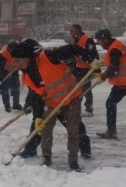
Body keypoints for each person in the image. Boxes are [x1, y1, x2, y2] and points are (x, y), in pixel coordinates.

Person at [9, 40, 96, 171]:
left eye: (17, 60)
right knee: (45, 129)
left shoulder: (49, 56)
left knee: (74, 130)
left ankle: (74, 160)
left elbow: (71, 48)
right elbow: (36, 96)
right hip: (51, 103)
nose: (15, 64)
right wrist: (38, 116)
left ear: (26, 57)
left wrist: (92, 61)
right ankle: (46, 157)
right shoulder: (27, 75)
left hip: (70, 99)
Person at [68, 24, 99, 117]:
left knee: (86, 89)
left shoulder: (87, 39)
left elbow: (94, 55)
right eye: (70, 31)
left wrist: (96, 69)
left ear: (78, 31)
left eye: (72, 31)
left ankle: (89, 108)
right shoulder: (76, 40)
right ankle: (76, 108)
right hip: (77, 68)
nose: (70, 33)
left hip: (86, 69)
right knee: (77, 89)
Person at [0, 39, 22, 113]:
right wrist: (1, 79)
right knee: (5, 90)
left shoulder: (18, 51)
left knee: (16, 88)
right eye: (12, 49)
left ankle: (16, 104)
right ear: (9, 48)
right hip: (3, 73)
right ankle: (7, 106)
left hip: (14, 72)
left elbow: (20, 61)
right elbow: (1, 66)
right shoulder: (2, 54)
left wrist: (19, 66)